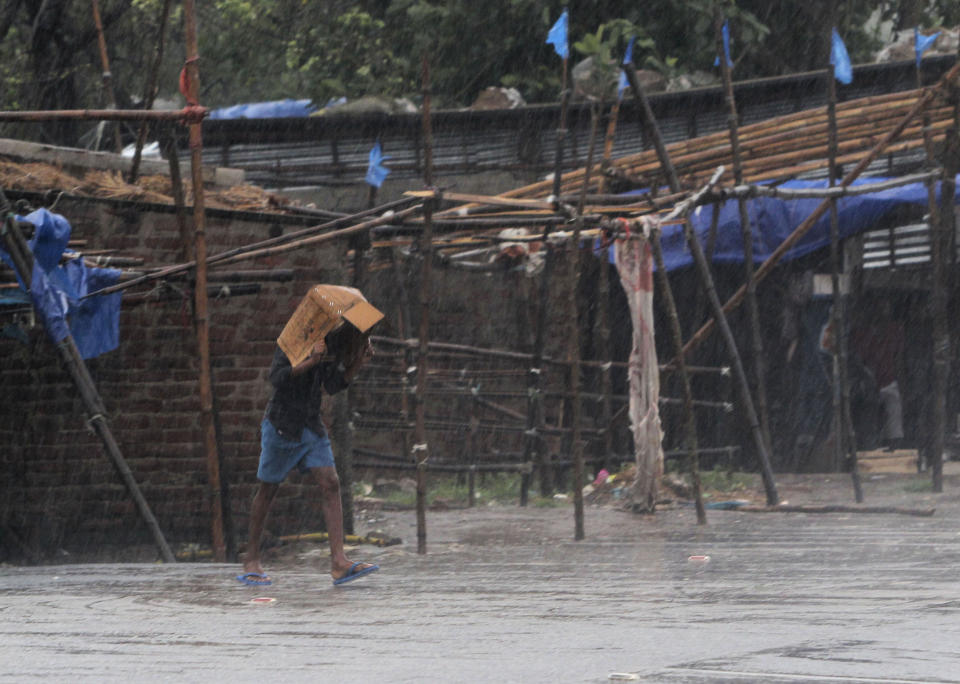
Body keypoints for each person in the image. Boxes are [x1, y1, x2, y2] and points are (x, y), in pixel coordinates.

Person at [236, 325, 378, 587]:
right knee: (268, 490)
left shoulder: (330, 344)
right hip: (282, 425)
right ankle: (251, 558)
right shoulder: (291, 339)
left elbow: (332, 385)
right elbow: (277, 378)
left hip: (311, 425)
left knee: (331, 483)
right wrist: (310, 360)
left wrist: (357, 362)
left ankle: (339, 562)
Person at [850, 299, 905, 451]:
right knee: (868, 408)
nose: (881, 312)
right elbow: (858, 361)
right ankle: (869, 447)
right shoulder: (861, 332)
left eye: (885, 308)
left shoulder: (894, 330)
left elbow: (898, 357)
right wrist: (868, 379)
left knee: (893, 406)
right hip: (867, 384)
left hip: (888, 382)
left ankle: (895, 448)